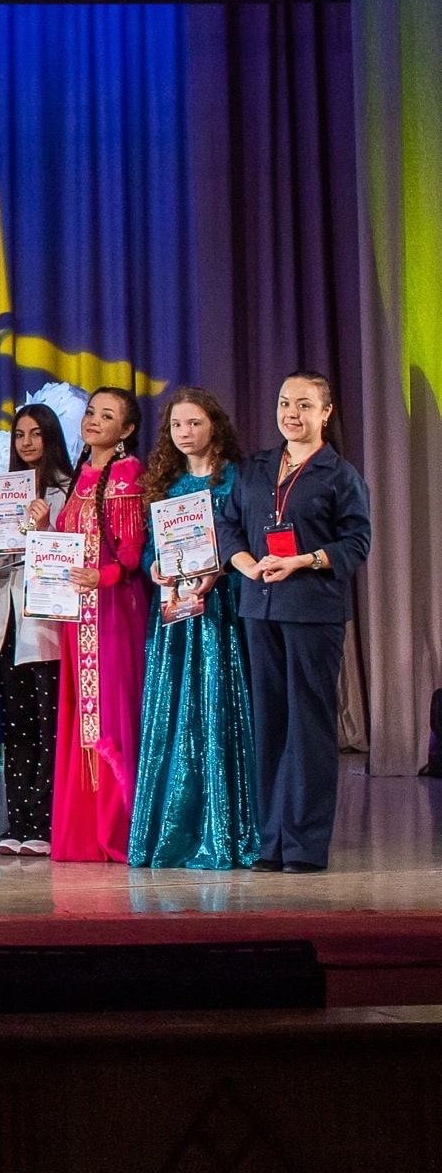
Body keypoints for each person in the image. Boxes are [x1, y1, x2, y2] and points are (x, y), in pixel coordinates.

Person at [221, 373, 371, 874]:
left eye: (304, 405)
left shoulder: (339, 475)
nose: (291, 413)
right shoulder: (256, 468)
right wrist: (245, 564)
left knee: (308, 727)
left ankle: (304, 845)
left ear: (325, 413)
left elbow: (356, 543)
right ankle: (271, 842)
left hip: (312, 611)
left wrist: (303, 561)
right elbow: (228, 523)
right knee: (269, 725)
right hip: (259, 607)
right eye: (285, 402)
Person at [129, 388, 259, 869]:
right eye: (177, 425)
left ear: (215, 426)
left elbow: (247, 539)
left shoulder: (238, 479)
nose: (185, 433)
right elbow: (150, 547)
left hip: (222, 608)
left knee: (221, 708)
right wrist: (155, 567)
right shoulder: (166, 485)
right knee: (174, 712)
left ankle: (226, 828)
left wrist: (219, 569)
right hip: (175, 611)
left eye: (194, 423)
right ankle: (173, 830)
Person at [51, 387, 150, 864]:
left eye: (106, 416)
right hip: (80, 613)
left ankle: (118, 826)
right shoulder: (83, 473)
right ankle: (86, 829)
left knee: (109, 712)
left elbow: (131, 554)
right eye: (90, 412)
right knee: (84, 713)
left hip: (112, 612)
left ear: (126, 429)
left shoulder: (127, 475)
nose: (93, 420)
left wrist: (101, 577)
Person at [0, 404, 72, 855]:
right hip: (8, 619)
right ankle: (16, 822)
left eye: (36, 434)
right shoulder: (3, 491)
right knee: (16, 726)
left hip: (46, 623)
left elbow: (68, 555)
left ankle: (45, 823)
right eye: (20, 435)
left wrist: (44, 526)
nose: (27, 443)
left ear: (51, 437)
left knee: (48, 725)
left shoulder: (68, 490)